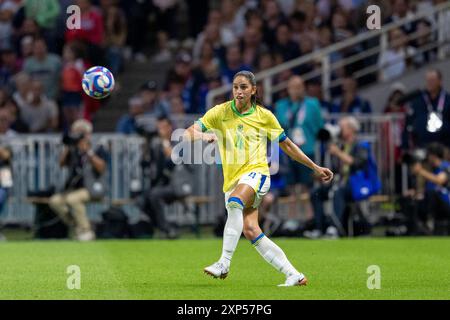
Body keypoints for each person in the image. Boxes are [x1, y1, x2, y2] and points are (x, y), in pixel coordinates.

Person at [184, 71, 333, 286]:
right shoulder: (220, 112)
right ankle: (294, 274)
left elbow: (288, 146)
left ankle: (224, 263)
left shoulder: (264, 116)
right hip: (233, 180)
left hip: (258, 174)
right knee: (251, 230)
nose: (239, 91)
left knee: (235, 203)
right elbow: (189, 132)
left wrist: (314, 167)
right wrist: (203, 135)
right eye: (235, 87)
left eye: (244, 87)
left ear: (254, 90)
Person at [308, 116, 380, 238]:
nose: (339, 130)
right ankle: (319, 228)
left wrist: (337, 153)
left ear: (351, 129)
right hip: (342, 183)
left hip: (359, 185)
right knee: (316, 192)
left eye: (342, 127)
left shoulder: (361, 145)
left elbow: (357, 163)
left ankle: (334, 228)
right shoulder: (341, 145)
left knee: (338, 192)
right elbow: (337, 169)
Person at [49, 119, 108, 241]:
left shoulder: (98, 147)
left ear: (88, 134)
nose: (77, 136)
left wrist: (88, 151)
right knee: (54, 201)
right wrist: (68, 146)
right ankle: (79, 226)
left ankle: (86, 231)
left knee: (72, 199)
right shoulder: (73, 149)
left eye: (80, 133)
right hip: (74, 189)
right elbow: (61, 164)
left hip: (93, 188)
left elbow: (102, 168)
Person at [403, 69, 450, 149]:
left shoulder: (447, 100)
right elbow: (408, 123)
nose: (430, 83)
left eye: (432, 80)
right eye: (428, 80)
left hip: (444, 146)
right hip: (422, 145)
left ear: (440, 81)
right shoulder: (417, 100)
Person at [409, 143, 450, 235]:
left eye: (429, 155)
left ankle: (428, 222)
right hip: (437, 205)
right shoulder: (432, 170)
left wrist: (420, 171)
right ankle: (418, 227)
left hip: (447, 202)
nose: (427, 158)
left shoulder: (446, 166)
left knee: (432, 193)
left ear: (433, 155)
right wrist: (416, 192)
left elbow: (439, 180)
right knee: (417, 197)